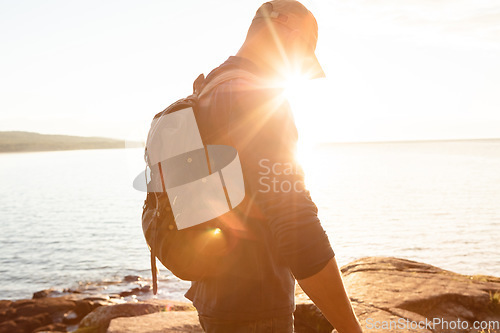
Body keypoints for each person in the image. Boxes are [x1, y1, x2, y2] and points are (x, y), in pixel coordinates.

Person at [184, 1, 363, 332]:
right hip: (256, 308)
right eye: (306, 48)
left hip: (213, 298)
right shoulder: (256, 98)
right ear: (285, 31)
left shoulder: (208, 89)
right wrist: (351, 328)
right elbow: (296, 224)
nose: (300, 63)